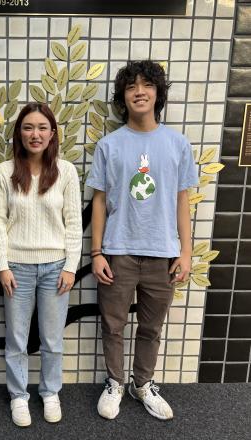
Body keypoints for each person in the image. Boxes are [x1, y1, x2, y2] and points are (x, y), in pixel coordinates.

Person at [86, 60, 198, 421]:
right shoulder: (109, 145)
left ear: (157, 94)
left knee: (151, 327)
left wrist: (186, 252)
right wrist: (97, 252)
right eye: (131, 86)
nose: (139, 91)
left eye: (147, 85)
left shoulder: (178, 144)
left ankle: (143, 384)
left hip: (162, 255)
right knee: (113, 324)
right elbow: (99, 201)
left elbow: (183, 201)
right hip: (117, 253)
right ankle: (116, 382)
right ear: (122, 97)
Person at [0, 103, 82, 427]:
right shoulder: (4, 171)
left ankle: (50, 392)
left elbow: (73, 223)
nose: (35, 134)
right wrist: (2, 265)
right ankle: (18, 396)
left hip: (56, 268)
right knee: (16, 338)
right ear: (19, 133)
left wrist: (71, 266)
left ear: (52, 133)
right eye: (28, 127)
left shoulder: (66, 172)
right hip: (17, 268)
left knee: (52, 338)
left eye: (43, 127)